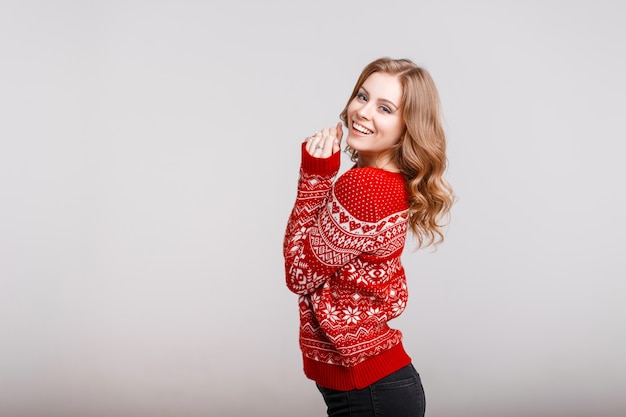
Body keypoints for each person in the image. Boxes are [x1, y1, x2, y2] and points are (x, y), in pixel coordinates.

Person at [283, 57, 454, 417]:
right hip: (377, 388)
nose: (363, 112)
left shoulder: (364, 186)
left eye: (385, 108)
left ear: (409, 126)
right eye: (362, 96)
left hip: (370, 393)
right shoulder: (385, 181)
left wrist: (314, 177)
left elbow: (299, 274)